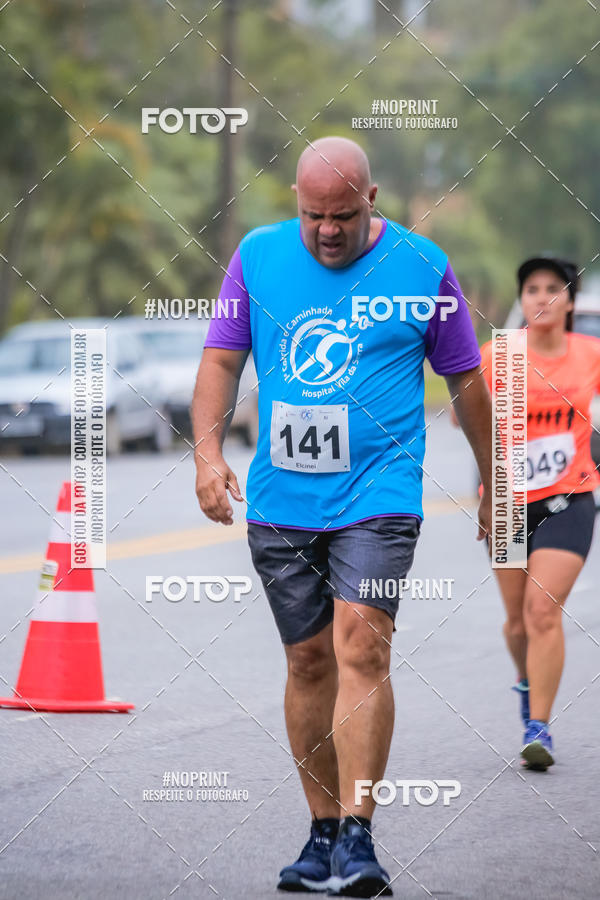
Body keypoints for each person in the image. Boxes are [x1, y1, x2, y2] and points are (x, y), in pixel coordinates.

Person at [192, 136, 492, 896]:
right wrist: (205, 453)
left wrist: (496, 479)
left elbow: (466, 383)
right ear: (296, 203)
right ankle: (320, 831)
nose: (326, 230)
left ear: (373, 200)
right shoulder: (258, 257)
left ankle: (360, 837)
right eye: (312, 215)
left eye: (342, 216)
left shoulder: (422, 266)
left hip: (379, 490)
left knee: (361, 643)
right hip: (282, 498)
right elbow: (222, 359)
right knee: (308, 661)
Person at [478, 257, 600, 771]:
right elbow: (473, 425)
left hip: (569, 495)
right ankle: (528, 683)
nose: (542, 297)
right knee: (515, 623)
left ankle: (539, 728)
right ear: (521, 299)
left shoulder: (591, 353)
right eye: (532, 289)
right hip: (506, 502)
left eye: (554, 288)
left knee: (542, 611)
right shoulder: (496, 356)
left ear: (571, 301)